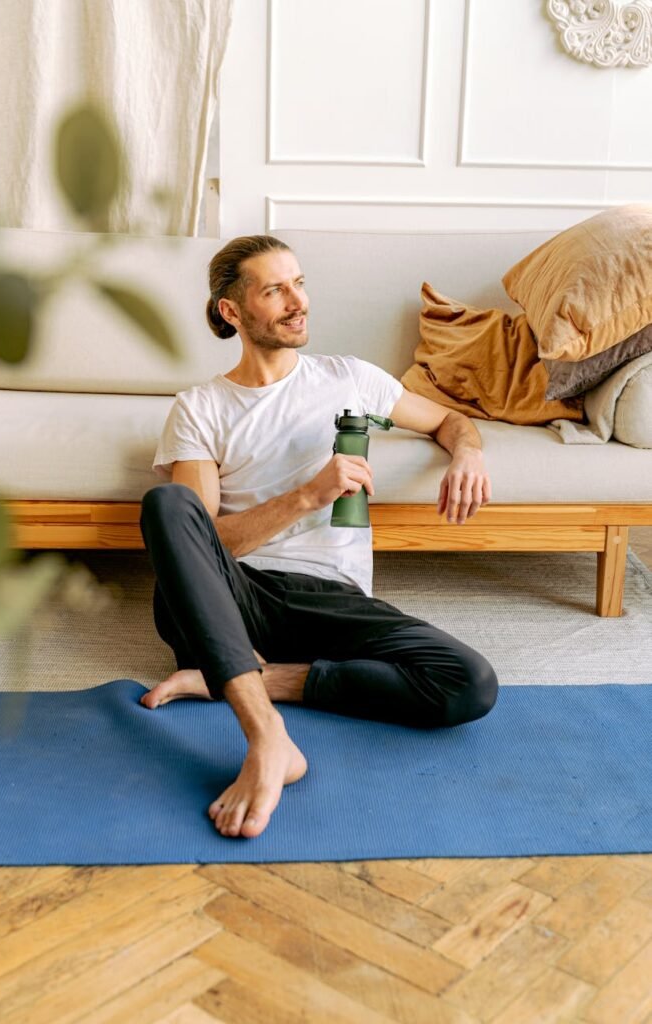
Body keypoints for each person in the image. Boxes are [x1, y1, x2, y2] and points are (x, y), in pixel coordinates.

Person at [140, 234, 498, 841]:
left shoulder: (349, 379)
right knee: (168, 503)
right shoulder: (201, 407)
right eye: (275, 290)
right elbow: (203, 543)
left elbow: (448, 419)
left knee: (470, 682)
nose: (296, 301)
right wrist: (307, 495)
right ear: (232, 311)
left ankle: (243, 679)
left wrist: (468, 456)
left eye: (299, 284)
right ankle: (267, 736)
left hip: (332, 595)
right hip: (234, 599)